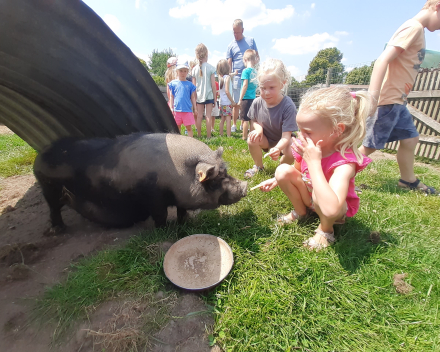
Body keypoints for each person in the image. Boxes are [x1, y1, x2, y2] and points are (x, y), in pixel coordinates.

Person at [258, 86, 372, 250]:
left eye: (308, 132)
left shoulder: (345, 162)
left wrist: (314, 163)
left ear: (336, 130)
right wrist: (276, 179)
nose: (300, 136)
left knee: (321, 195)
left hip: (332, 209)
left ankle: (326, 229)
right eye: (299, 129)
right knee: (282, 170)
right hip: (311, 199)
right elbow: (296, 172)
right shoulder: (305, 149)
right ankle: (301, 212)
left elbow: (332, 209)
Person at [359, 0, 440, 195]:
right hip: (388, 101)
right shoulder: (413, 27)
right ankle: (337, 174)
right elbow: (382, 60)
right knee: (369, 146)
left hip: (399, 101)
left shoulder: (418, 30)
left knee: (411, 138)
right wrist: (373, 97)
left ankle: (408, 180)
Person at [244, 58, 297, 178]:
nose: (266, 92)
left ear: (282, 83)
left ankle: (279, 170)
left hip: (283, 141)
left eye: (271, 88)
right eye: (263, 88)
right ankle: (258, 167)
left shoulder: (288, 106)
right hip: (266, 139)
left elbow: (286, 136)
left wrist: (278, 148)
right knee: (252, 138)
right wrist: (258, 130)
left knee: (292, 149)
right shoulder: (257, 102)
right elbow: (254, 121)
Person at [226, 19, 259, 132]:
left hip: (250, 76)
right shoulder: (231, 45)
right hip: (237, 77)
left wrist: (255, 70)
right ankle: (234, 124)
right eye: (234, 32)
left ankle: (243, 123)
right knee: (237, 102)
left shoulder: (251, 41)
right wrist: (229, 76)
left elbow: (257, 57)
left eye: (238, 32)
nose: (235, 35)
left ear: (243, 30)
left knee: (248, 101)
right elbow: (229, 63)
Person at [192, 43, 217, 138]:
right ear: (207, 54)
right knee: (208, 116)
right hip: (209, 95)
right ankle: (209, 136)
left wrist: (194, 98)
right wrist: (215, 98)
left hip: (198, 96)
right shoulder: (211, 68)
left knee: (199, 116)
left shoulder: (194, 69)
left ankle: (198, 135)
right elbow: (213, 85)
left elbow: (193, 87)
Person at [168, 61, 197, 137]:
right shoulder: (173, 83)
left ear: (187, 72)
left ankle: (190, 143)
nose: (183, 73)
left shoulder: (190, 84)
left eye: (185, 71)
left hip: (187, 110)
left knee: (189, 128)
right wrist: (171, 107)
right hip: (177, 110)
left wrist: (195, 108)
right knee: (177, 128)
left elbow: (193, 97)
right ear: (177, 71)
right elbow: (171, 96)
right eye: (181, 71)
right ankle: (178, 143)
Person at [237, 49, 258, 140]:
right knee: (252, 119)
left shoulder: (245, 71)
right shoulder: (256, 72)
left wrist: (240, 98)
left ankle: (244, 137)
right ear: (254, 60)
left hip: (245, 98)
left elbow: (245, 85)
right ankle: (251, 136)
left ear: (245, 60)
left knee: (245, 119)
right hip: (253, 98)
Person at [216, 59, 238, 137]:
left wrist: (234, 74)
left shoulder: (220, 79)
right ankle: (229, 135)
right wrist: (232, 101)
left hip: (222, 103)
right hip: (227, 103)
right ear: (227, 68)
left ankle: (221, 134)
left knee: (222, 119)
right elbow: (227, 91)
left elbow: (229, 75)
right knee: (228, 120)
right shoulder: (227, 78)